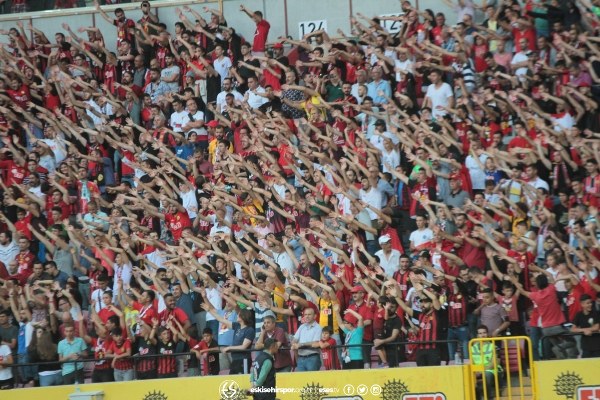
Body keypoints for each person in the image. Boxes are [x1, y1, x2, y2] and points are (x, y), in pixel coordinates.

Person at [471, 325, 503, 400]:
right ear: (477, 335)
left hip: (492, 371)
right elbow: (471, 363)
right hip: (477, 371)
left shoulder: (493, 346)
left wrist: (481, 370)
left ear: (487, 334)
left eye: (484, 333)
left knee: (487, 375)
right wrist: (476, 372)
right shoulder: (472, 347)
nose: (482, 335)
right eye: (480, 333)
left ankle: (489, 398)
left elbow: (494, 363)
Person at [291, 307, 322, 372]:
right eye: (305, 315)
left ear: (315, 316)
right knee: (301, 381)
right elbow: (295, 339)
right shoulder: (302, 326)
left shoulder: (318, 327)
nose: (307, 316)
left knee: (312, 381)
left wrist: (301, 344)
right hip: (300, 357)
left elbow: (315, 343)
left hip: (312, 358)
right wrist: (293, 343)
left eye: (309, 314)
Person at [571, 294, 600, 358]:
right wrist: (584, 330)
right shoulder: (579, 315)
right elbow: (572, 329)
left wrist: (588, 330)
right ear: (582, 304)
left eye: (591, 303)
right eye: (588, 303)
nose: (590, 304)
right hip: (585, 347)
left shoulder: (596, 313)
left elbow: (596, 327)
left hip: (597, 347)